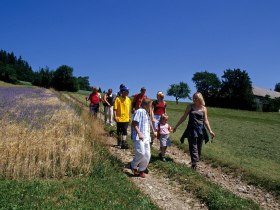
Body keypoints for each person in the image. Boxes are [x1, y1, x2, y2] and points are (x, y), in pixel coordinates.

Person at [173, 92, 215, 170]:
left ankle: (195, 161)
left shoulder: (204, 108)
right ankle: (194, 164)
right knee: (193, 147)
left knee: (199, 147)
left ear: (200, 99)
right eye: (193, 98)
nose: (194, 99)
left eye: (196, 98)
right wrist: (176, 126)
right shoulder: (190, 106)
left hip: (200, 130)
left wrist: (210, 131)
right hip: (191, 129)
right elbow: (184, 117)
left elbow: (206, 120)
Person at [130, 98, 156, 178]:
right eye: (151, 105)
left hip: (146, 136)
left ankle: (141, 169)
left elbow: (149, 122)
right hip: (139, 136)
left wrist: (153, 131)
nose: (151, 107)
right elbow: (134, 123)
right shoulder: (139, 111)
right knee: (141, 153)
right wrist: (139, 133)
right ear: (147, 104)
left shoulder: (146, 113)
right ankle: (133, 166)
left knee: (147, 155)